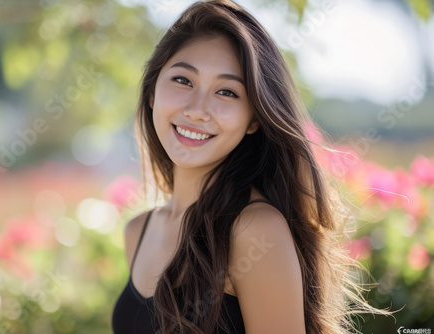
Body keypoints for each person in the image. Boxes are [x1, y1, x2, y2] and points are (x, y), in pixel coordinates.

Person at [112, 1, 387, 333]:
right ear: (153, 91)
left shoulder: (254, 229)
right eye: (183, 80)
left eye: (226, 92)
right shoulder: (138, 231)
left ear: (254, 119)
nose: (198, 110)